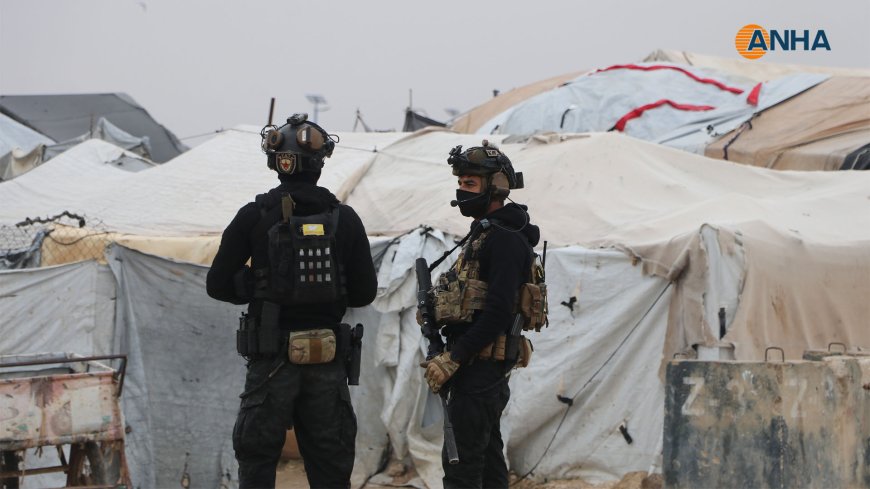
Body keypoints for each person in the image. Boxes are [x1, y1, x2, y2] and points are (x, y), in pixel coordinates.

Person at [206, 113, 377, 489]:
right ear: (320, 163)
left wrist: (263, 285)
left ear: (276, 163)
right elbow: (365, 294)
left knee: (258, 458)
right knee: (330, 462)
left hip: (270, 359)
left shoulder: (254, 216)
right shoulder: (345, 219)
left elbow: (217, 284)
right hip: (328, 359)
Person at [421, 140, 541, 489]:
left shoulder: (504, 239)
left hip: (480, 370)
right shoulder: (486, 233)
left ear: (496, 187)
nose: (462, 191)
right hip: (477, 370)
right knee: (487, 465)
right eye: (460, 184)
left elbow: (499, 312)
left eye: (470, 184)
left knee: (462, 469)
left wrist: (454, 357)